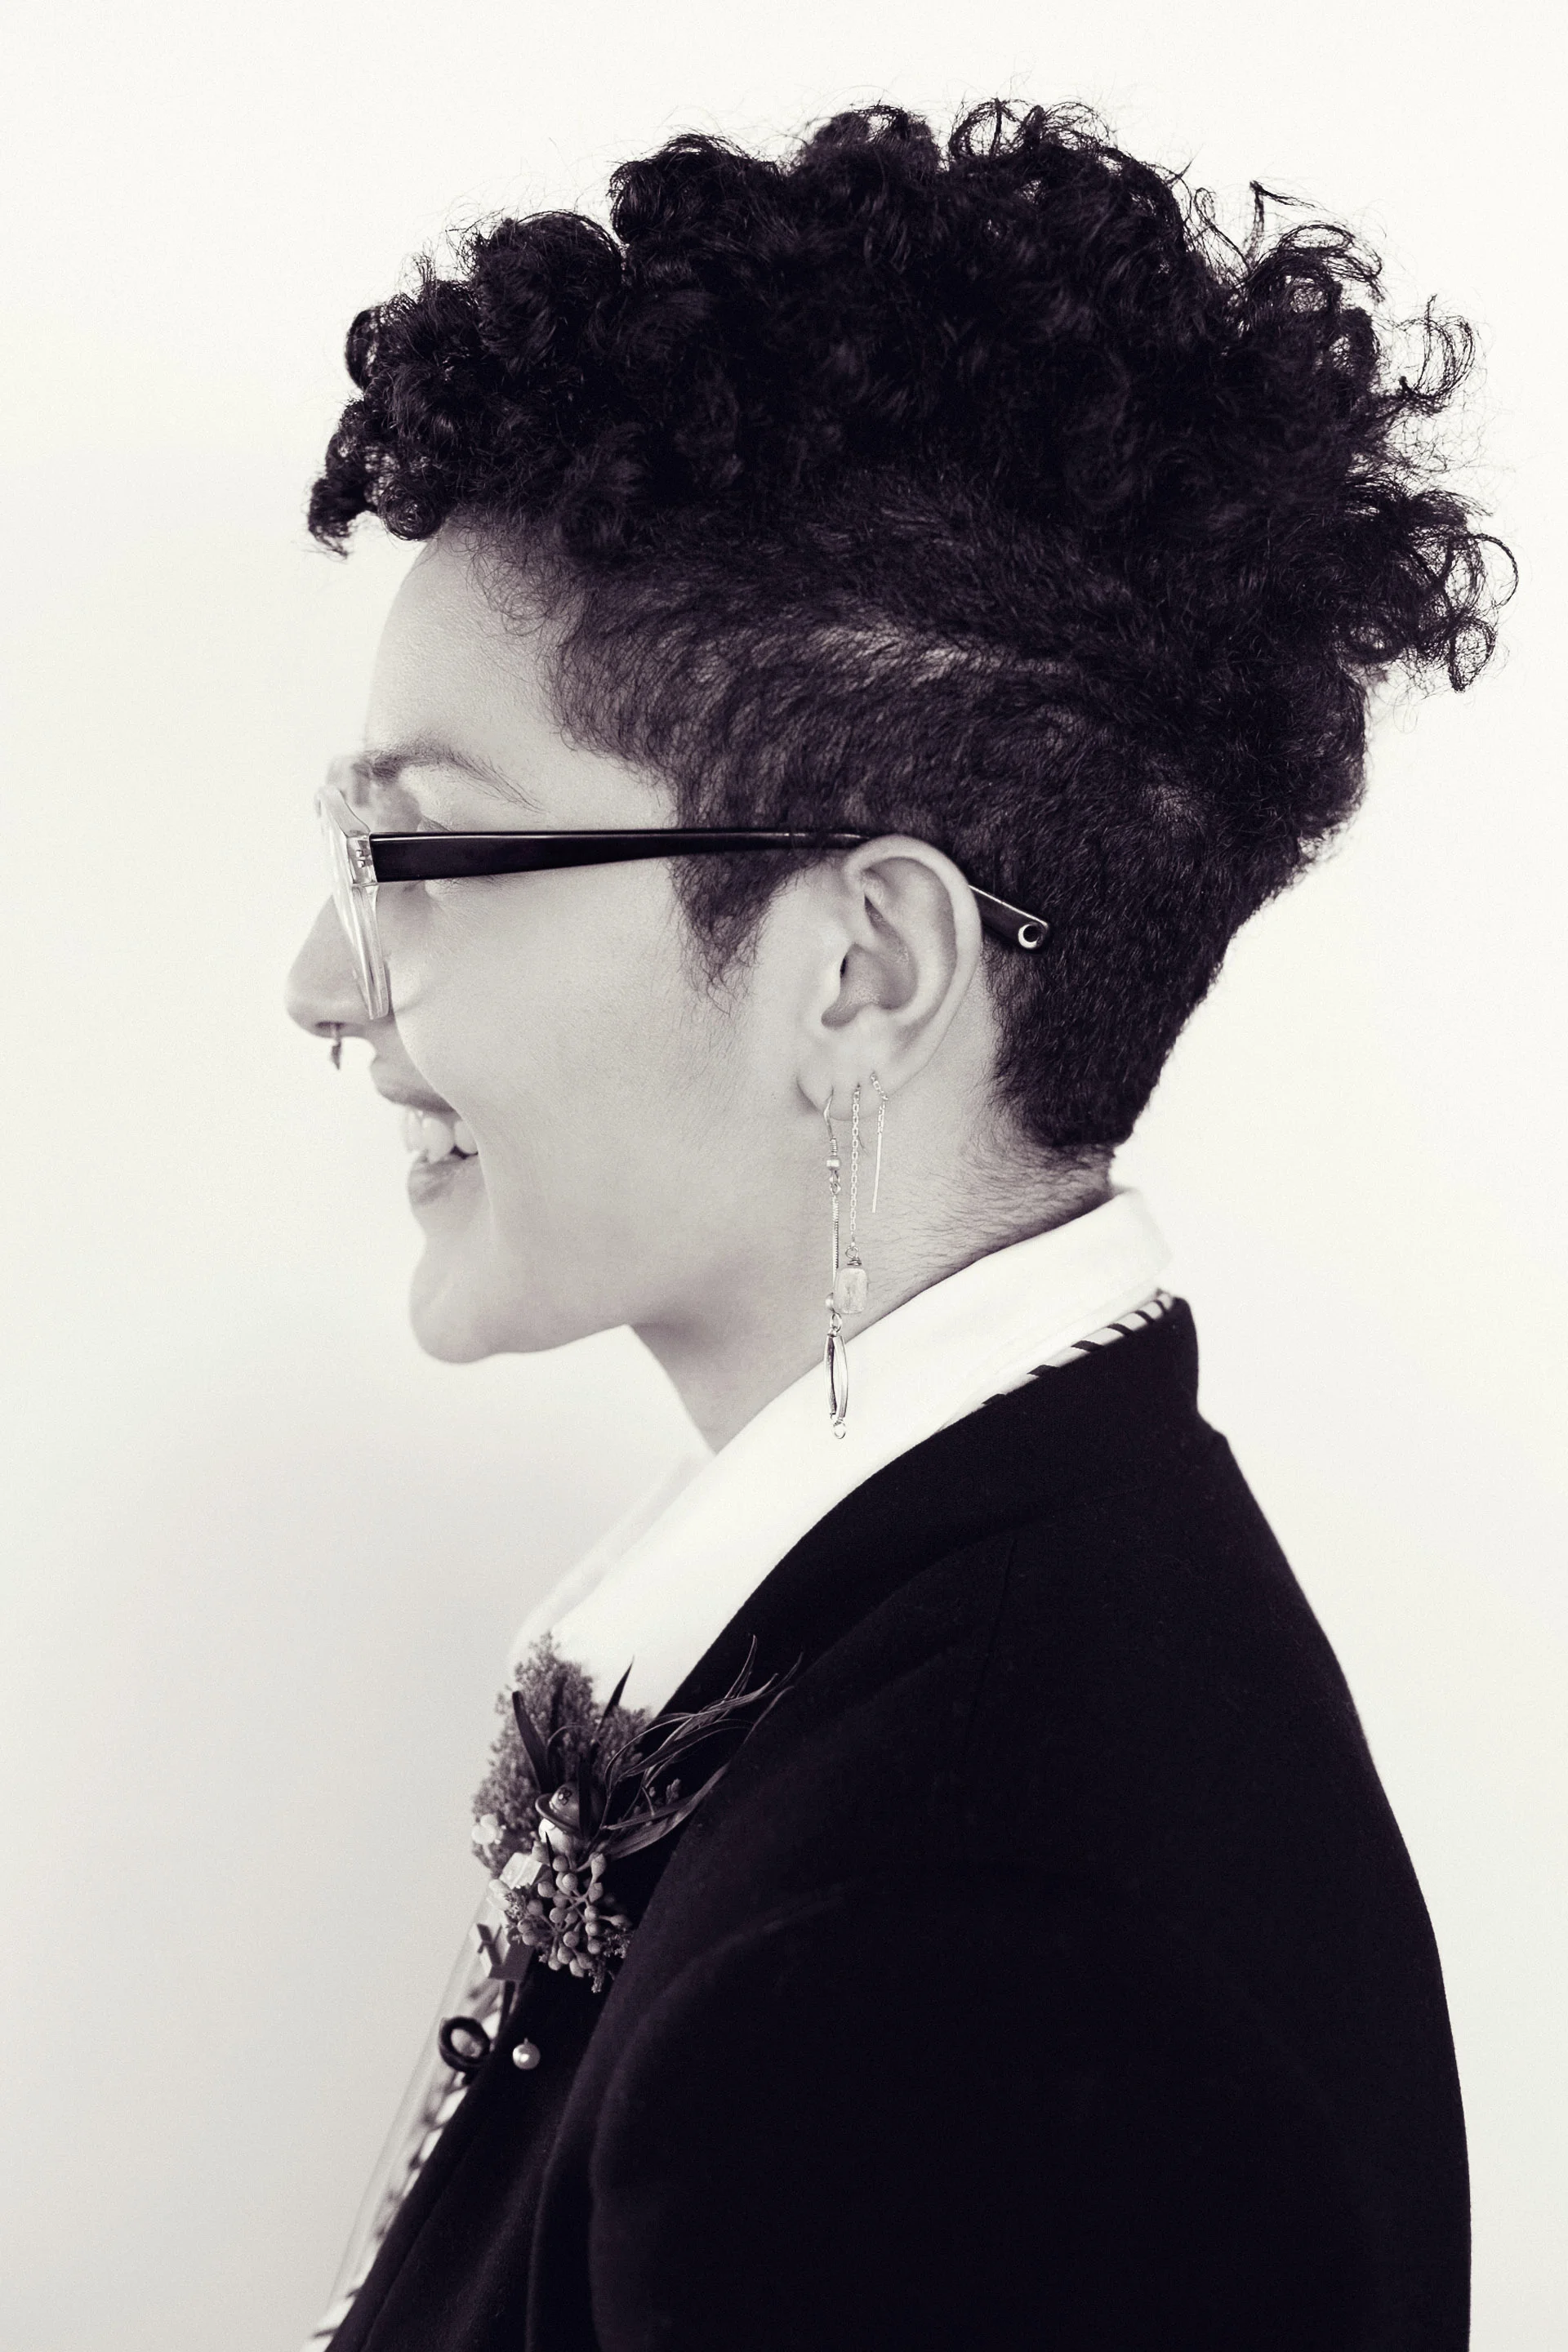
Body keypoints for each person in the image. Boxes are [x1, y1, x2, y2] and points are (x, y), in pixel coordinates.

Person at [286, 99, 1504, 2352]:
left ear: (863, 970)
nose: (323, 988)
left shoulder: (957, 1950)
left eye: (421, 860)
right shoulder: (984, 1653)